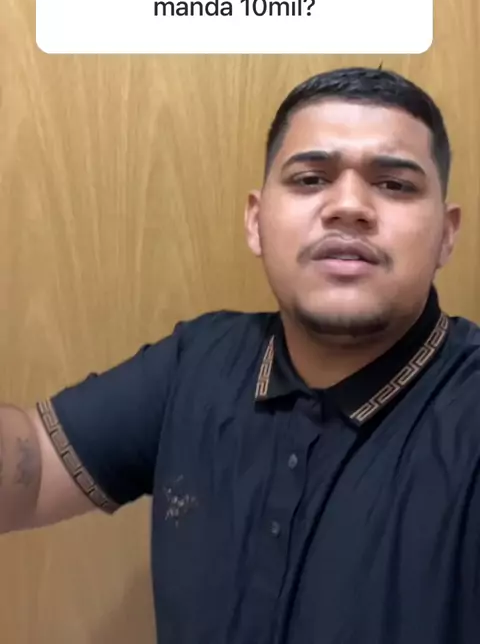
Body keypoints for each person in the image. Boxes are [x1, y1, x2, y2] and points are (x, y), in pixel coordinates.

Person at [1, 65, 480, 644]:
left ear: (446, 234)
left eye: (394, 185)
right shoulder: (196, 362)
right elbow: (30, 473)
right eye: (310, 179)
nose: (349, 205)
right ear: (256, 222)